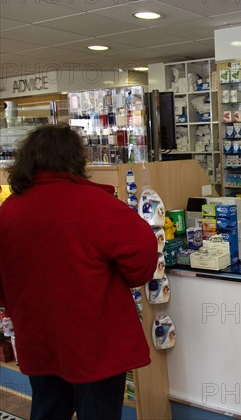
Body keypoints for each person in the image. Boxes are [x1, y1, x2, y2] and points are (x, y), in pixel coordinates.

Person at [0, 125, 158, 420]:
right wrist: (124, 277)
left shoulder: (9, 210)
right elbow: (142, 255)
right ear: (76, 159)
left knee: (48, 409)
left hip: (38, 339)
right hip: (95, 343)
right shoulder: (97, 205)